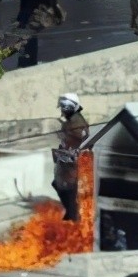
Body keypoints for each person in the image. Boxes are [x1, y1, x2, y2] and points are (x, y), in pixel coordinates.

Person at [53, 92, 89, 221]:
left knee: (70, 189)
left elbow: (83, 142)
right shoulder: (71, 120)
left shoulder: (77, 122)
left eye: (64, 108)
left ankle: (74, 217)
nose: (62, 111)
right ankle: (71, 213)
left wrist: (71, 153)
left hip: (72, 163)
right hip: (66, 161)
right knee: (59, 185)